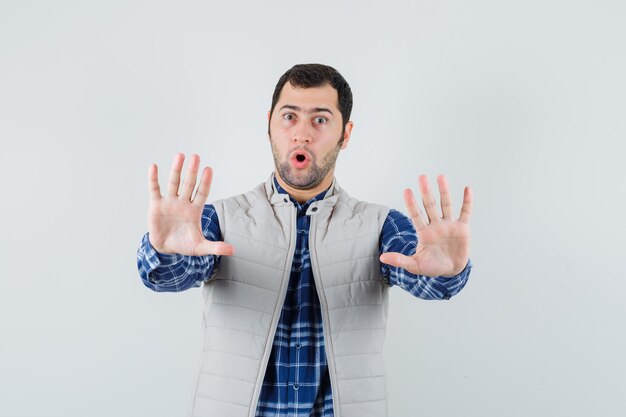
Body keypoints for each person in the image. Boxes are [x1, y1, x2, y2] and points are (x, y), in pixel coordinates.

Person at [136, 63, 473, 417]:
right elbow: (166, 275)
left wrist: (446, 272)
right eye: (289, 117)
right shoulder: (218, 220)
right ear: (269, 124)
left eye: (320, 120)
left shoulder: (381, 225)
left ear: (346, 133)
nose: (302, 134)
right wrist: (163, 252)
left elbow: (422, 272)